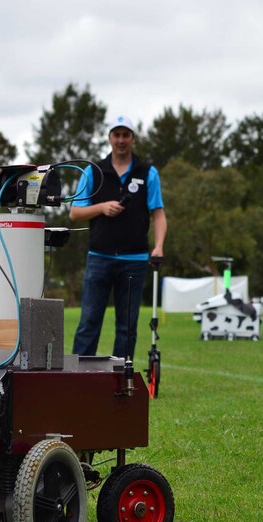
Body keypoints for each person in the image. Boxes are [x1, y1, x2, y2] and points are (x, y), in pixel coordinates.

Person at [70, 116, 167, 358]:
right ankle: (77, 378)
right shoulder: (93, 171)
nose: (121, 140)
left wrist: (159, 247)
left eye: (126, 135)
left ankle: (121, 382)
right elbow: (75, 212)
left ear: (133, 138)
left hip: (134, 260)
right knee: (89, 323)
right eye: (117, 135)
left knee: (127, 327)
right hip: (99, 258)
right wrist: (101, 207)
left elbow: (159, 214)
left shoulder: (148, 173)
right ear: (109, 138)